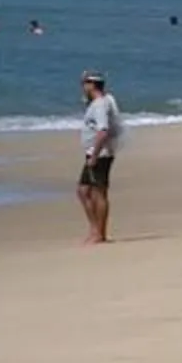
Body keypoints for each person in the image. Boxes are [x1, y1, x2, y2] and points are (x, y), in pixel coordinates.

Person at [75, 71, 120, 246]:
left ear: (92, 85)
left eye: (85, 84)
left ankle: (99, 233)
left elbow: (103, 131)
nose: (83, 88)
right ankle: (95, 229)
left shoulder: (101, 105)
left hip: (99, 154)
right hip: (96, 152)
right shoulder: (100, 102)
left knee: (97, 192)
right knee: (84, 191)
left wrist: (94, 155)